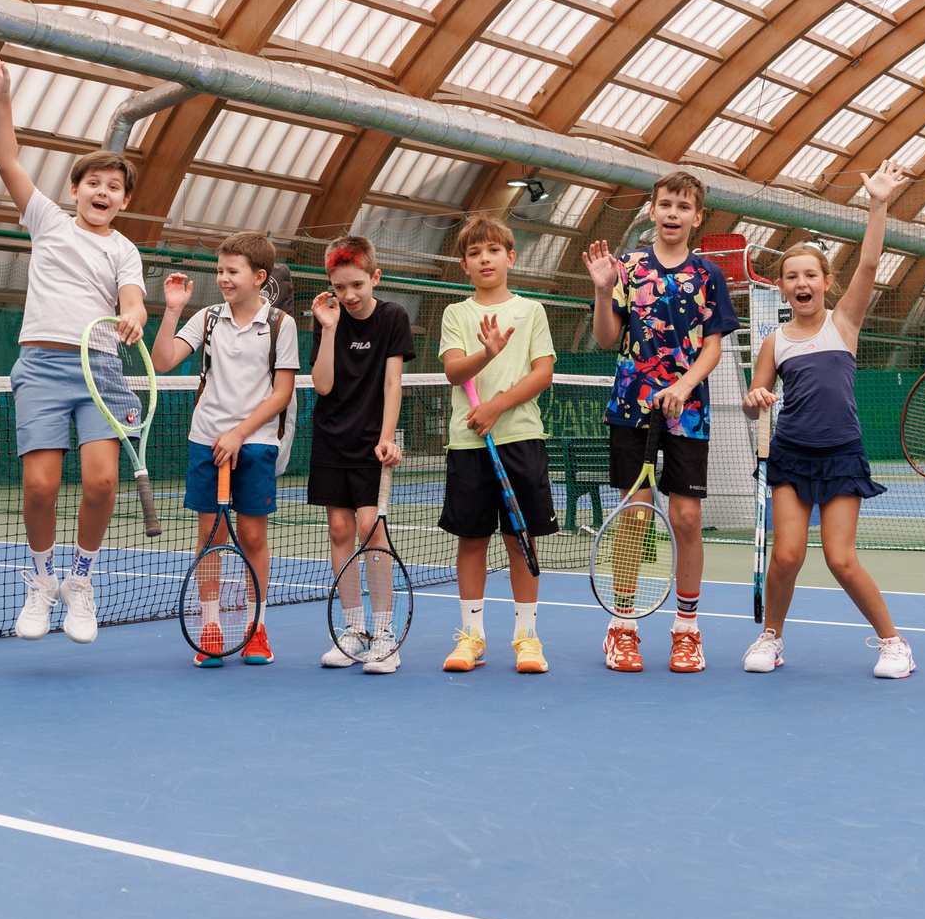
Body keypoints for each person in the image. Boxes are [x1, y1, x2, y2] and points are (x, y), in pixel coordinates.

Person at [0, 44, 147, 647]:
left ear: (125, 200)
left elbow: (132, 298)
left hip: (101, 370)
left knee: (100, 483)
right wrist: (1, 97)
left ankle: (80, 579)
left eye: (115, 186)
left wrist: (133, 314)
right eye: (94, 182)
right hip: (42, 367)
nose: (103, 191)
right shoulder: (45, 220)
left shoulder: (124, 249)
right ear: (75, 190)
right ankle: (41, 579)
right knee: (40, 486)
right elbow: (7, 160)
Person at [740, 155, 916, 678]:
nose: (801, 282)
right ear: (782, 287)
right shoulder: (774, 340)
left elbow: (868, 264)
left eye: (810, 275)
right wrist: (756, 401)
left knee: (840, 559)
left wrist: (878, 205)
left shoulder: (844, 323)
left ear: (826, 282)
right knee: (788, 555)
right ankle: (770, 637)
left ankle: (894, 644)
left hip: (841, 455)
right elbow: (757, 391)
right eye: (791, 276)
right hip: (791, 455)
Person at [582, 172, 739, 673]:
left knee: (687, 519)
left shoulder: (708, 275)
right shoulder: (625, 267)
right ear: (651, 210)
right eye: (665, 203)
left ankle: (687, 630)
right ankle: (622, 627)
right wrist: (604, 292)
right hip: (631, 408)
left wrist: (685, 385)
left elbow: (713, 345)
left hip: (688, 412)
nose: (673, 213)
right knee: (634, 517)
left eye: (684, 206)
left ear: (697, 217)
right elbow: (608, 339)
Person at [153, 233, 299, 666]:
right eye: (219, 270)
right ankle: (211, 628)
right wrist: (174, 310)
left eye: (232, 271)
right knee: (211, 536)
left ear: (259, 277)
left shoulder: (280, 324)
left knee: (253, 536)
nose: (223, 278)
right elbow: (162, 361)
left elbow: (281, 394)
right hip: (206, 441)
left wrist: (238, 433)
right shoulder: (207, 318)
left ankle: (256, 629)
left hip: (255, 442)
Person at [437, 214, 558, 676]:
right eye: (473, 253)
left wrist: (496, 407)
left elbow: (541, 373)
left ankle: (526, 637)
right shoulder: (456, 314)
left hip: (520, 439)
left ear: (510, 257)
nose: (484, 258)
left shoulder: (531, 311)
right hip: (468, 444)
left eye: (492, 250)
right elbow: (453, 371)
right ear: (464, 265)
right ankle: (472, 637)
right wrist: (486, 353)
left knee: (519, 539)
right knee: (472, 539)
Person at [307, 235, 412, 672]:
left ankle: (385, 634)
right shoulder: (327, 317)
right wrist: (329, 329)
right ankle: (353, 631)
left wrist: (387, 437)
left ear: (375, 278)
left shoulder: (393, 317)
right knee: (338, 529)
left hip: (372, 440)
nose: (348, 295)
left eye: (356, 285)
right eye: (339, 287)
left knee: (371, 529)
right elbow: (323, 385)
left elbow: (392, 384)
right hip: (331, 437)